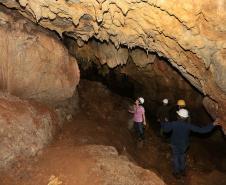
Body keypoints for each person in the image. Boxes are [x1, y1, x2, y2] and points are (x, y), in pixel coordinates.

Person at [162, 109, 220, 180]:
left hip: (174, 144)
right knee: (182, 156)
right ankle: (183, 171)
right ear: (186, 118)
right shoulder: (188, 125)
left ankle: (176, 173)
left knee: (176, 157)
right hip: (183, 145)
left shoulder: (173, 123)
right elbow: (201, 130)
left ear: (178, 116)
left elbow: (165, 130)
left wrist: (167, 122)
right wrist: (213, 124)